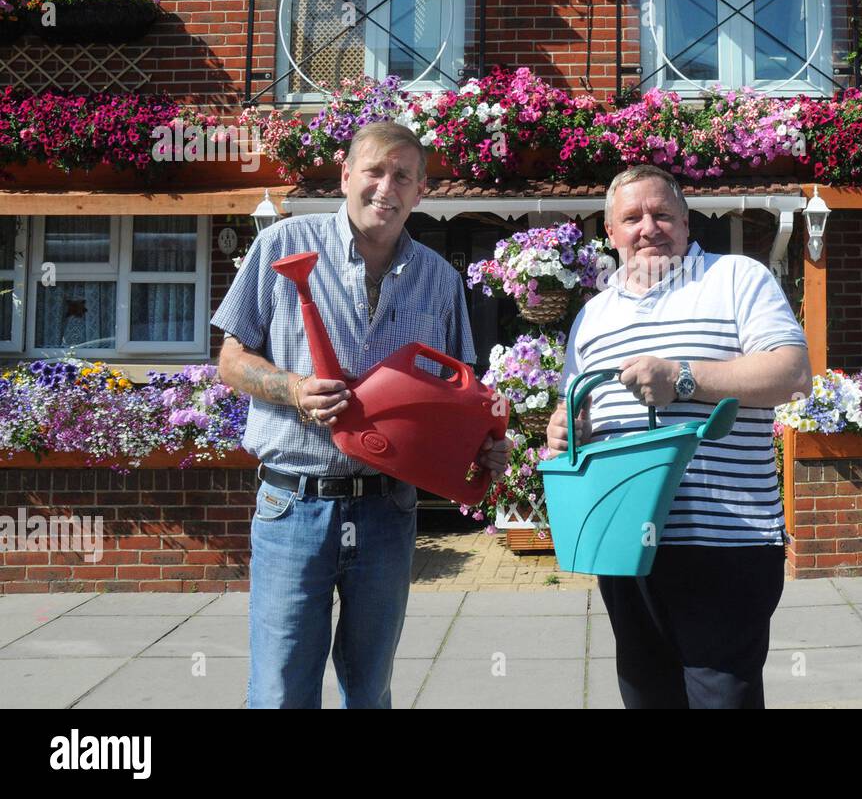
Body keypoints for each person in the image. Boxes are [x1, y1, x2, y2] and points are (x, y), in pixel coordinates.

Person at [212, 121, 509, 709]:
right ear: (346, 176)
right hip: (293, 503)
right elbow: (230, 360)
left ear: (421, 191)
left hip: (387, 510)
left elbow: (463, 401)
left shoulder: (441, 281)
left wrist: (485, 448)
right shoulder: (282, 246)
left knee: (369, 692)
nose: (385, 187)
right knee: (279, 692)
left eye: (402, 176)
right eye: (373, 170)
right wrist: (292, 387)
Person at [546, 164, 812, 709]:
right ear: (610, 232)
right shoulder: (592, 315)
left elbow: (792, 373)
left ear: (687, 224)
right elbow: (575, 413)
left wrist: (683, 377)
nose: (648, 227)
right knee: (646, 695)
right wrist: (564, 427)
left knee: (722, 698)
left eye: (662, 214)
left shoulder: (737, 278)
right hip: (624, 541)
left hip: (726, 541)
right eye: (632, 217)